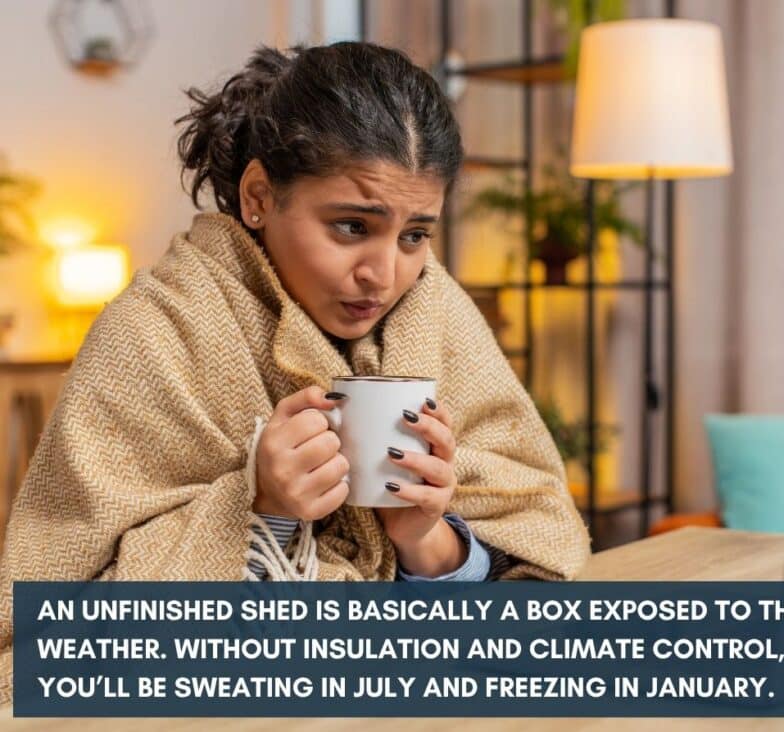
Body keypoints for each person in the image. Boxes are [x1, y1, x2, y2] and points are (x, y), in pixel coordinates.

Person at [0, 41, 591, 699]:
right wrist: (263, 512)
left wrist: (428, 541)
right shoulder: (153, 333)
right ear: (258, 196)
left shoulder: (436, 310)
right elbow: (49, 633)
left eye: (414, 235)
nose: (383, 272)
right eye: (349, 226)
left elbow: (536, 541)